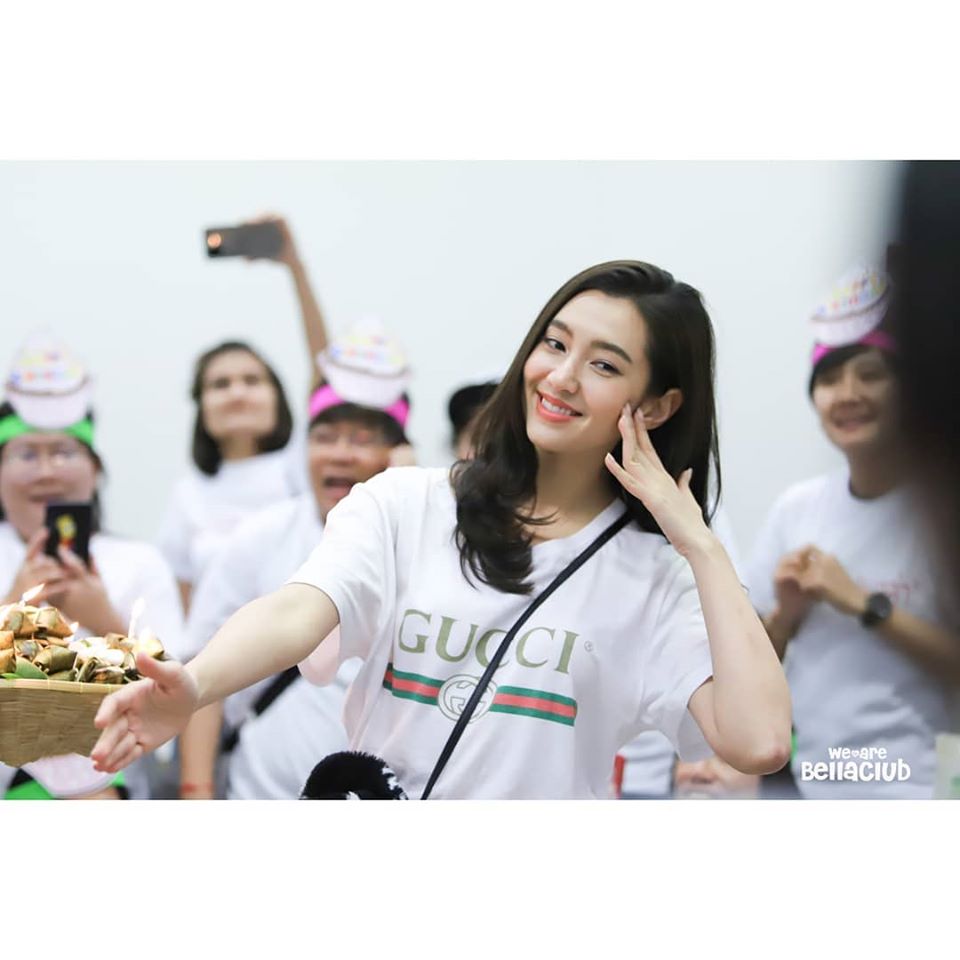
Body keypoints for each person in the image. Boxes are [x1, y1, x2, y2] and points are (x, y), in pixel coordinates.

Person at [92, 260, 791, 799]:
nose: (561, 377)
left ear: (659, 405)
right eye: (554, 343)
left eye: (604, 364)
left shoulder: (657, 573)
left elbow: (759, 742)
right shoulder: (408, 504)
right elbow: (299, 610)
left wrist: (699, 544)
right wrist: (196, 684)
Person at [747, 265, 960, 799]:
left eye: (871, 374)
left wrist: (863, 603)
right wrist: (785, 618)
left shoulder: (941, 509)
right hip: (814, 787)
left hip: (924, 791)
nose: (847, 394)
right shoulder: (796, 509)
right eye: (829, 380)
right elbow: (748, 673)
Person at [177, 327, 413, 800]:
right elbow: (199, 671)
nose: (340, 452)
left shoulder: (430, 541)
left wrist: (411, 500)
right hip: (258, 794)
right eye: (325, 436)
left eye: (362, 438)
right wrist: (196, 793)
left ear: (395, 454)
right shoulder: (260, 536)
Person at [0, 335, 184, 800]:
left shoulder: (139, 562)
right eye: (26, 454)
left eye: (64, 452)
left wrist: (103, 619)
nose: (46, 471)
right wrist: (12, 610)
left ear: (95, 468)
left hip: (107, 781)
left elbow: (181, 692)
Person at [156, 215, 333, 610]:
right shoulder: (188, 496)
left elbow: (326, 371)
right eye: (220, 384)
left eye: (252, 380)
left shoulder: (301, 466)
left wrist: (295, 268)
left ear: (277, 397)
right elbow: (180, 609)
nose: (237, 393)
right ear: (201, 406)